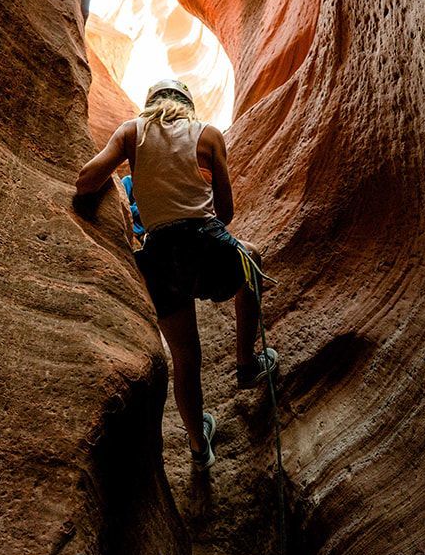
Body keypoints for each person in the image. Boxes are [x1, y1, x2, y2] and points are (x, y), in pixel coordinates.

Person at [74, 78, 277, 469]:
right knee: (250, 260)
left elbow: (87, 180)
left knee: (186, 357)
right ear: (187, 104)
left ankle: (200, 447)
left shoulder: (131, 131)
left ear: (150, 103)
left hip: (160, 254)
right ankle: (247, 364)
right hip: (203, 240)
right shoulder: (208, 134)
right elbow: (226, 210)